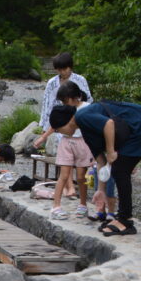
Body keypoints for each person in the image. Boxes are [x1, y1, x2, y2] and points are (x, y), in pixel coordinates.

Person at [48, 98, 141, 236]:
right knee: (118, 170)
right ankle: (123, 218)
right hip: (134, 128)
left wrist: (110, 151)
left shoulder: (82, 116)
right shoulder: (85, 131)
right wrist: (101, 190)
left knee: (120, 170)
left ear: (65, 122)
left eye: (57, 129)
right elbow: (100, 161)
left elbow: (108, 124)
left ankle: (125, 221)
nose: (60, 133)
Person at [34, 52, 93, 211]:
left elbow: (88, 100)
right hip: (59, 121)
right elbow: (47, 103)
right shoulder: (52, 83)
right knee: (64, 161)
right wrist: (45, 128)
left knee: (81, 172)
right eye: (59, 69)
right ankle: (68, 189)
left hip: (78, 125)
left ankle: (80, 199)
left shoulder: (80, 80)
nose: (62, 72)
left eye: (64, 69)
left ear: (70, 67)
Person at [57, 82, 118, 222]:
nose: (64, 104)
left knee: (110, 183)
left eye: (65, 100)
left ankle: (112, 212)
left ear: (73, 98)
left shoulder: (88, 109)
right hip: (94, 150)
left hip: (94, 147)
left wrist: (110, 151)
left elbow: (106, 126)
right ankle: (100, 210)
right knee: (98, 181)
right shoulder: (68, 111)